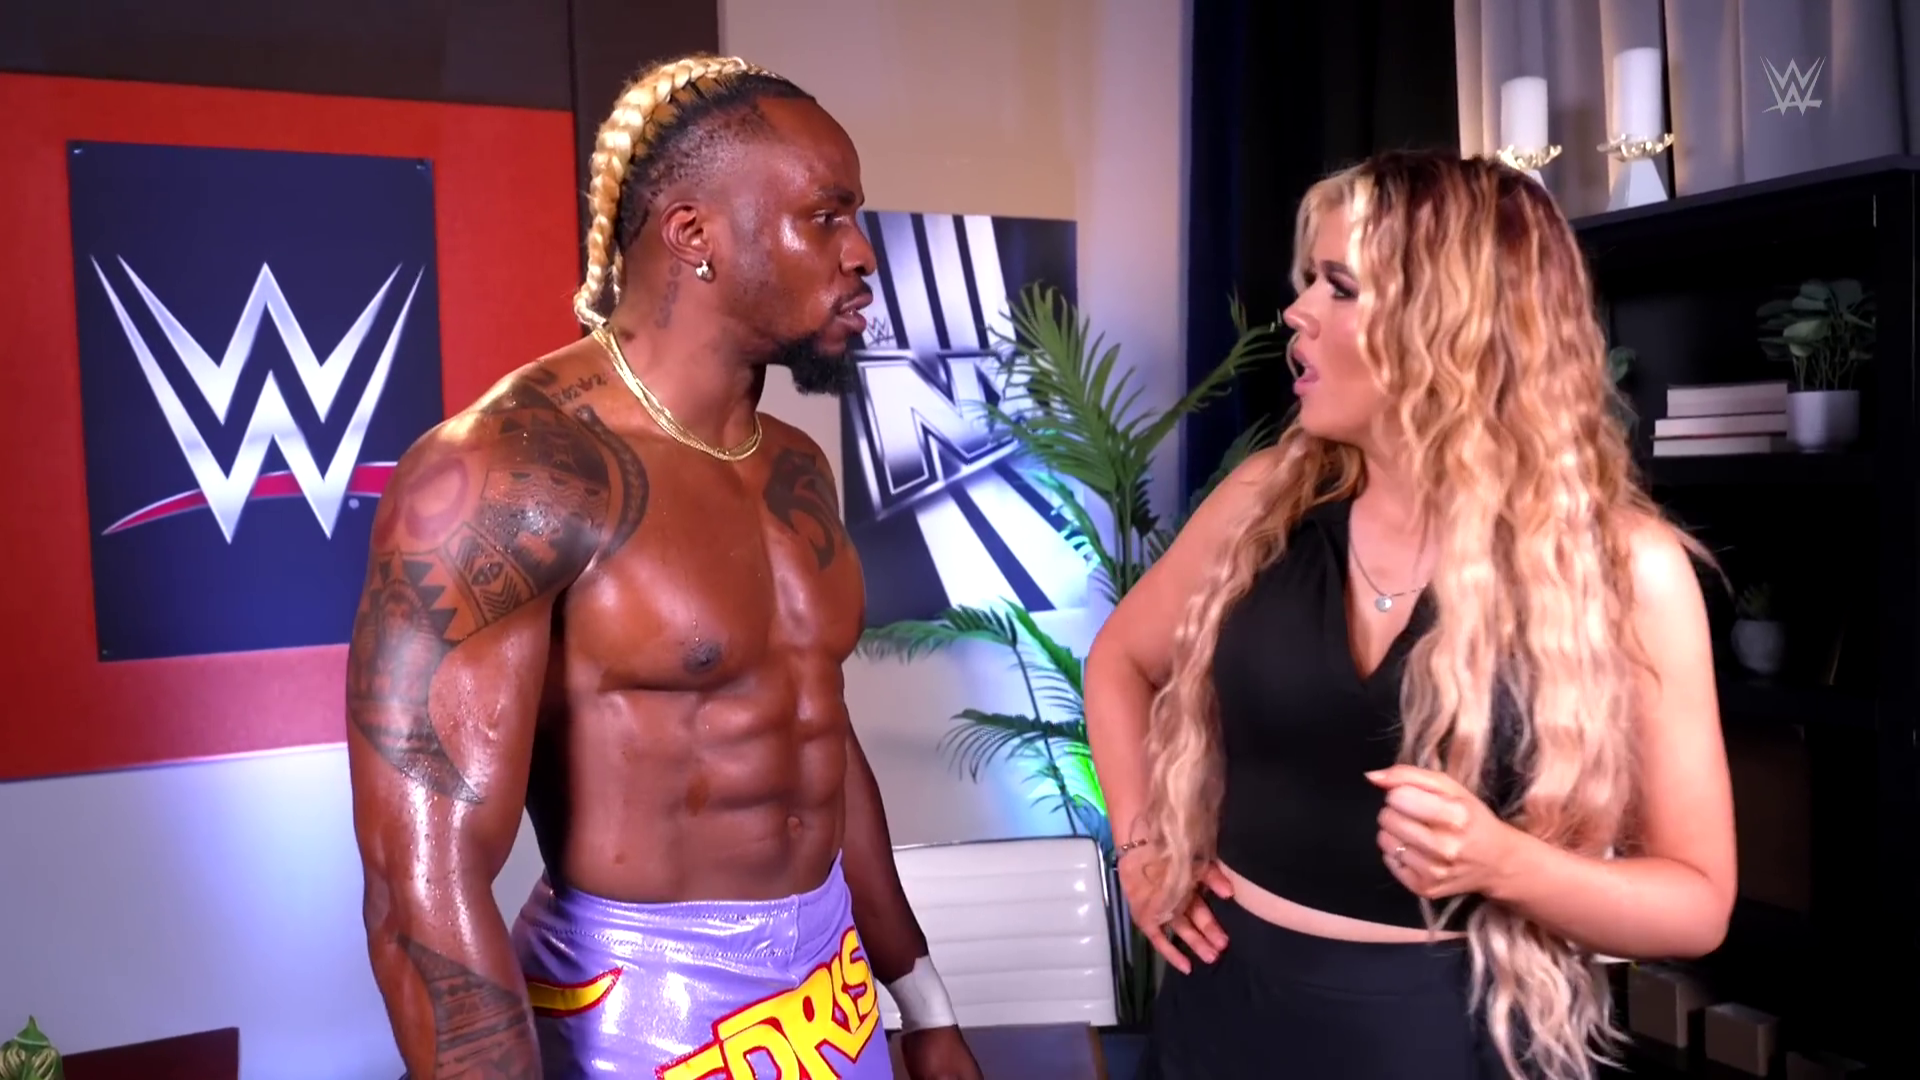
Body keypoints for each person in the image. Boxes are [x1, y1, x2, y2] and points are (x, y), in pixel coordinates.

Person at [345, 53, 982, 1080]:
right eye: (826, 217)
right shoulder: (509, 471)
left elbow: (817, 729)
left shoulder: (794, 465)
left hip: (832, 997)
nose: (864, 253)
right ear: (694, 235)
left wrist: (924, 1005)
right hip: (639, 1016)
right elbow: (421, 884)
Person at [1086, 150, 1738, 1080]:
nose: (1297, 313)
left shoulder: (1627, 567)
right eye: (1309, 281)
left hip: (1450, 1038)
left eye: (1339, 286)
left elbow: (1696, 903)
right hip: (1223, 1011)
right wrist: (1141, 845)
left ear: (1453, 325)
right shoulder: (1265, 501)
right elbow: (1118, 660)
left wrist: (1501, 863)